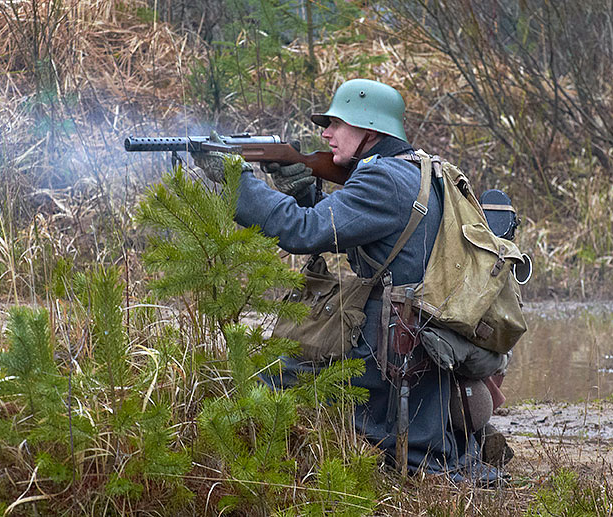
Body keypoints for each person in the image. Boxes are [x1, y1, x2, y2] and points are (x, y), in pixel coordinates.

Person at [193, 78, 507, 480]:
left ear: (370, 129)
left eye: (337, 123)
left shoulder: (382, 179)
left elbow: (303, 232)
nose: (326, 134)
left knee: (266, 379)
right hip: (416, 342)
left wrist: (237, 180)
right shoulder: (420, 170)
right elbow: (361, 234)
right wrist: (304, 192)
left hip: (389, 351)